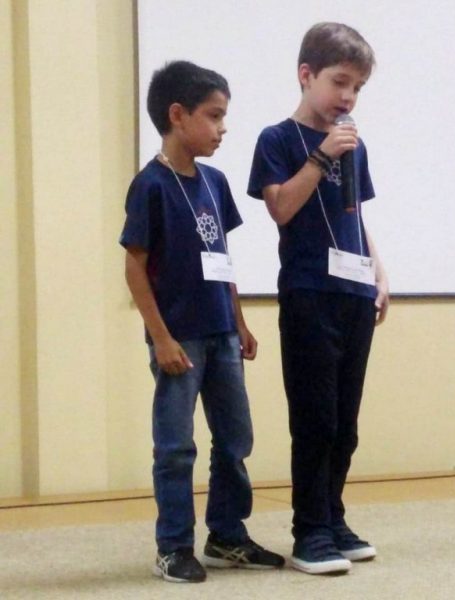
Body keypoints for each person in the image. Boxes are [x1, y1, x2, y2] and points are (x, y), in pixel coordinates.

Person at [120, 60, 284, 584]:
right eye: (214, 116)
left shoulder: (215, 182)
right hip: (180, 340)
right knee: (176, 447)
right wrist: (161, 338)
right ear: (177, 115)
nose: (222, 128)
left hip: (222, 334)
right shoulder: (150, 185)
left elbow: (221, 259)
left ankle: (227, 535)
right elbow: (135, 267)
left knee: (235, 438)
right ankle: (173, 547)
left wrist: (240, 322)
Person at [247, 23, 390, 575]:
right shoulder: (278, 139)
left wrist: (378, 271)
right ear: (306, 75)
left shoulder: (354, 144)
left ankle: (333, 517)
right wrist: (321, 156)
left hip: (354, 293)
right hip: (309, 292)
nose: (348, 97)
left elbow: (355, 215)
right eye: (339, 82)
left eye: (358, 87)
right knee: (315, 418)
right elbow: (281, 208)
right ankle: (309, 530)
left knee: (346, 422)